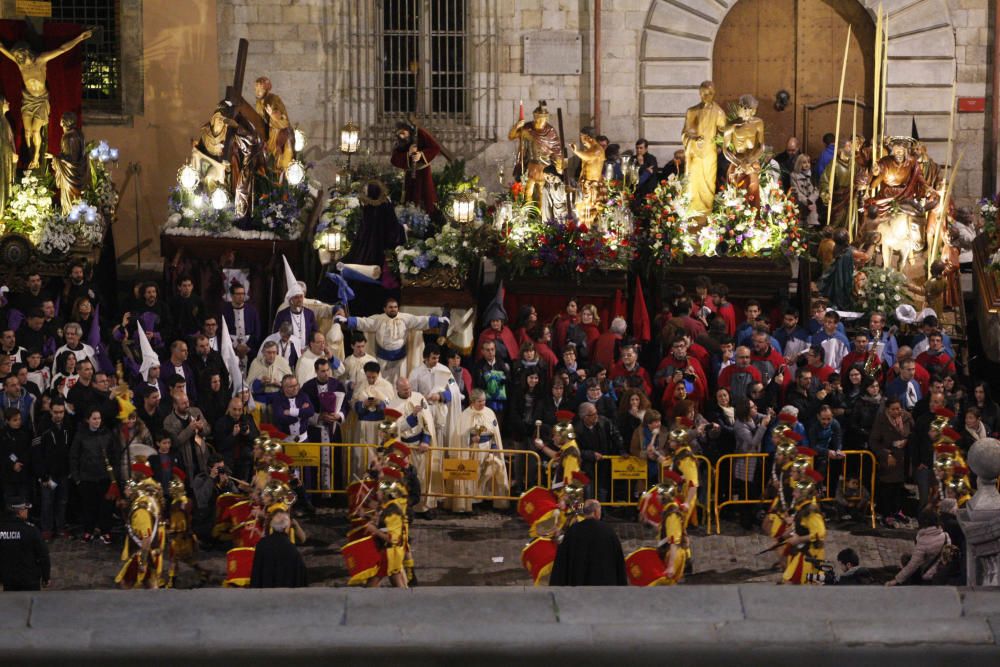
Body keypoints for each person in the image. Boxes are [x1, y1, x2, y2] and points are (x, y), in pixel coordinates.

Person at [548, 499, 627, 586]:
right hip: (603, 586)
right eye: (600, 510)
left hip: (578, 585)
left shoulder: (573, 531)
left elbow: (562, 561)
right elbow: (618, 559)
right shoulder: (608, 531)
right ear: (596, 512)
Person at [886, 509, 949, 586]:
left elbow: (913, 565)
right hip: (941, 572)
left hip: (928, 574)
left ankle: (914, 584)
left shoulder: (924, 541)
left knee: (906, 559)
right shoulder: (946, 536)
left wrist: (896, 580)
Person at [0, 497, 50, 591]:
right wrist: (46, 577)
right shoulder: (31, 530)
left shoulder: (2, 530)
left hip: (8, 579)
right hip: (30, 579)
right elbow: (43, 555)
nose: (27, 511)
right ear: (19, 511)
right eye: (25, 509)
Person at [250, 510, 308, 588]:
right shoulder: (292, 549)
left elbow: (257, 572)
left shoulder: (262, 544)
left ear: (272, 526)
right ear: (286, 527)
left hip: (265, 593)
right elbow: (300, 577)